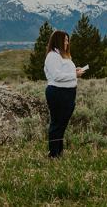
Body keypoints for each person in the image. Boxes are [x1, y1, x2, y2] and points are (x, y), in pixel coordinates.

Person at [43, 29, 85, 158]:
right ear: (58, 41)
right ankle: (53, 154)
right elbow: (57, 76)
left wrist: (75, 70)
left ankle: (59, 152)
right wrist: (74, 74)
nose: (67, 42)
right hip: (58, 92)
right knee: (57, 124)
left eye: (68, 40)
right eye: (65, 40)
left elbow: (63, 71)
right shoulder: (52, 56)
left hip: (68, 93)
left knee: (62, 124)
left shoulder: (63, 56)